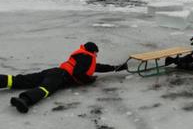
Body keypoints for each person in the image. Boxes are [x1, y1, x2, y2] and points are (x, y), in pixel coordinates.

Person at [0, 42, 128, 114]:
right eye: (96, 52)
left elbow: (99, 67)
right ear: (93, 51)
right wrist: (89, 80)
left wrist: (117, 67)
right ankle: (25, 100)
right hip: (61, 76)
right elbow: (78, 73)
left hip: (55, 71)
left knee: (23, 79)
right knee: (46, 89)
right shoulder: (87, 58)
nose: (97, 55)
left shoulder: (82, 56)